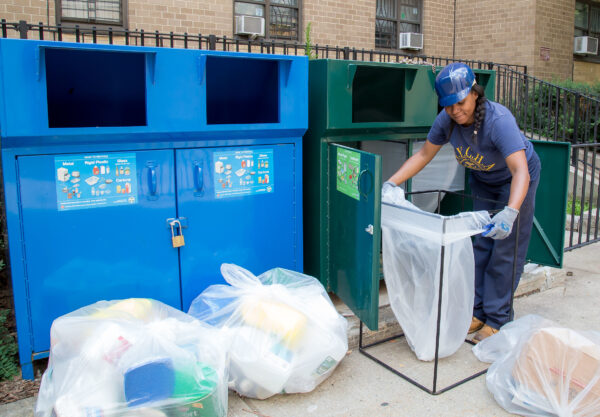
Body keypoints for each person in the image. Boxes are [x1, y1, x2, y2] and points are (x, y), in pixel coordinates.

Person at [384, 62, 541, 343]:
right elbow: (422, 156)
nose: (456, 111)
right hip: (483, 179)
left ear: (475, 93)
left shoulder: (497, 121)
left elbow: (521, 171)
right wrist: (390, 184)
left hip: (515, 181)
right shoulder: (447, 121)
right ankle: (477, 312)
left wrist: (511, 211)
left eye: (460, 102)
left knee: (505, 249)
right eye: (448, 106)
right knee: (480, 244)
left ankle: (497, 319)